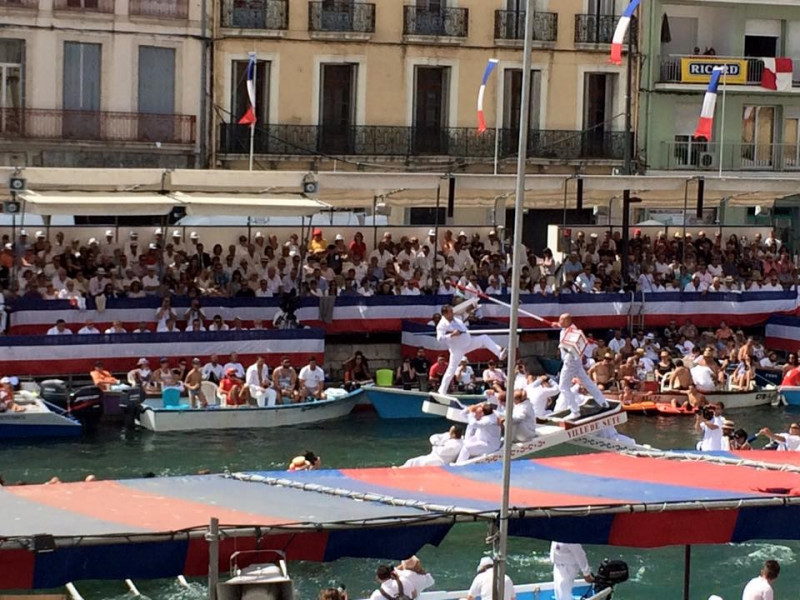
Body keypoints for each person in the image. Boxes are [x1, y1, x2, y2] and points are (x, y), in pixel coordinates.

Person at [436, 305, 507, 396]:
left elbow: (463, 318)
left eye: (452, 311)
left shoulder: (456, 318)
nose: (452, 313)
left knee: (484, 338)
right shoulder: (441, 325)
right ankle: (442, 391)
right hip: (457, 349)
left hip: (468, 343)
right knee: (451, 370)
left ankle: (499, 353)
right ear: (445, 313)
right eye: (450, 312)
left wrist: (469, 311)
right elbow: (439, 339)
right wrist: (452, 335)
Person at [554, 313, 608, 419]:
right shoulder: (565, 328)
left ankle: (575, 411)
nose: (559, 321)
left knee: (563, 387)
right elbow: (562, 328)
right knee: (587, 381)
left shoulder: (572, 331)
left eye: (561, 320)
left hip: (570, 361)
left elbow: (566, 346)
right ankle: (603, 402)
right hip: (576, 361)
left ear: (567, 321)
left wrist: (561, 346)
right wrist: (557, 324)